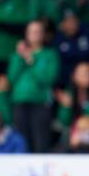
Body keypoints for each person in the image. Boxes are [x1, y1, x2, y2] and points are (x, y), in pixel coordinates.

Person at [7, 20, 59, 153]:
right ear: (26, 34)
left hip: (40, 103)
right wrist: (21, 57)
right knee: (22, 143)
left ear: (43, 35)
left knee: (40, 143)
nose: (35, 34)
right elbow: (12, 78)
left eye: (38, 31)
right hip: (20, 102)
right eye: (32, 31)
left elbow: (48, 79)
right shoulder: (17, 56)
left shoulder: (49, 55)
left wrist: (31, 60)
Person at [54, 9, 89, 88]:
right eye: (68, 22)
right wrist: (77, 72)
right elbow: (59, 66)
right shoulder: (58, 41)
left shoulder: (88, 35)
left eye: (74, 21)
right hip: (68, 81)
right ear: (62, 24)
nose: (72, 25)